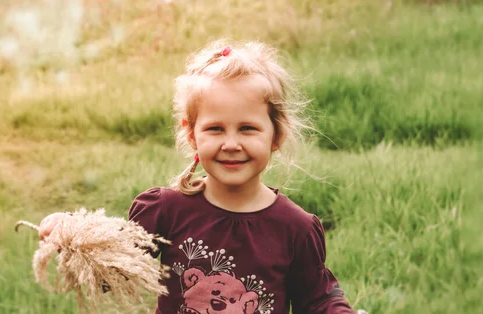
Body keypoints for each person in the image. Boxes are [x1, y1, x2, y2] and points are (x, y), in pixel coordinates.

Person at [38, 40, 357, 314]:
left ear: (276, 135)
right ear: (191, 134)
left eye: (247, 128)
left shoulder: (295, 228)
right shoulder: (166, 210)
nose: (231, 144)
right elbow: (116, 270)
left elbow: (317, 298)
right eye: (215, 128)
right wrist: (74, 237)